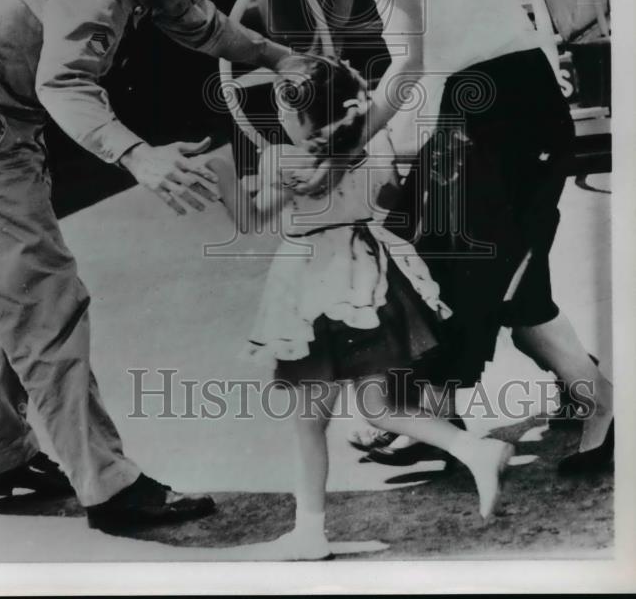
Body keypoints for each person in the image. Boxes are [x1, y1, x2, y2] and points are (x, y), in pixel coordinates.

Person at [0, 0, 293, 533]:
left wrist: (275, 57)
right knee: (48, 308)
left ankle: (1, 456)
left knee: (11, 303)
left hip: (0, 136)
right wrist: (139, 156)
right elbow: (61, 84)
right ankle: (110, 488)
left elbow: (200, 25)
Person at [286, 0, 614, 475]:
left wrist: (351, 142)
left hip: (492, 123)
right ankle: (450, 415)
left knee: (454, 270)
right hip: (525, 110)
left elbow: (412, 68)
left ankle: (598, 406)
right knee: (493, 278)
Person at [211, 54, 514, 560]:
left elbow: (249, 218)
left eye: (283, 108)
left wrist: (222, 168)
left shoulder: (282, 161)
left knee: (309, 420)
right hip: (368, 284)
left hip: (312, 294)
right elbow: (392, 200)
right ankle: (472, 448)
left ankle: (310, 532)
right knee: (380, 406)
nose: (279, 118)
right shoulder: (371, 149)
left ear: (296, 114)